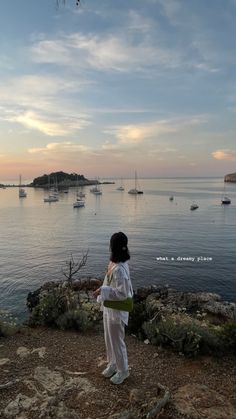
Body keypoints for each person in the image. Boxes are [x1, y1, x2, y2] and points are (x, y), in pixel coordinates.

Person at [93, 232, 133, 385]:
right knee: (109, 339)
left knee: (117, 341)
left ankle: (123, 371)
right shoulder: (114, 264)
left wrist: (102, 291)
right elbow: (108, 283)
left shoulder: (120, 269)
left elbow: (122, 294)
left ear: (112, 246)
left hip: (117, 310)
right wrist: (102, 292)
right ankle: (113, 364)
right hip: (110, 307)